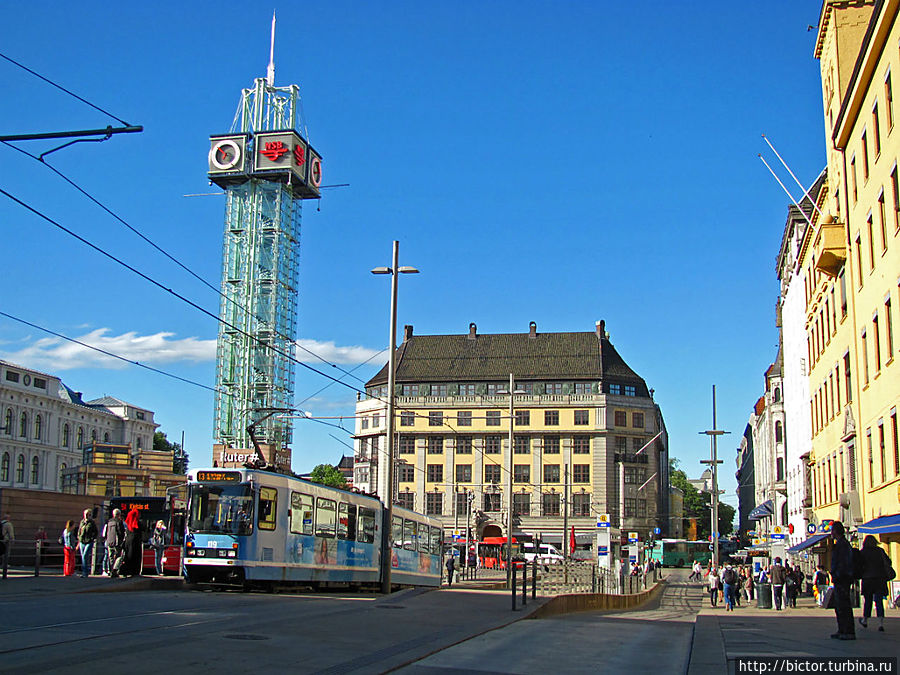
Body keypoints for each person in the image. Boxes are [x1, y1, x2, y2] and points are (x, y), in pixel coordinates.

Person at [858, 534, 893, 632]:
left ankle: (865, 620)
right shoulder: (880, 551)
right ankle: (880, 623)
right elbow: (888, 562)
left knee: (868, 601)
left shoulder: (863, 552)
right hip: (879, 579)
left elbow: (859, 565)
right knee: (879, 601)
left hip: (867, 579)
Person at [829, 521, 856, 640]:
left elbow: (844, 562)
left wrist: (838, 574)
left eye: (832, 530)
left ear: (835, 531)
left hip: (843, 578)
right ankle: (842, 629)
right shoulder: (840, 544)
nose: (831, 533)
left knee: (844, 605)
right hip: (840, 578)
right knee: (839, 605)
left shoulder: (843, 545)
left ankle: (848, 631)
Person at [121, 508, 143, 577]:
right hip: (135, 541)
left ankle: (126, 570)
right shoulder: (137, 523)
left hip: (128, 541)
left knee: (128, 556)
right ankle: (134, 571)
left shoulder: (127, 524)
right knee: (135, 556)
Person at [77, 509, 98, 578]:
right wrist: (79, 538)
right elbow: (79, 530)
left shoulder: (92, 523)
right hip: (82, 541)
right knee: (83, 556)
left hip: (89, 541)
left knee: (85, 555)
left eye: (88, 514)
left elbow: (96, 532)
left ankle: (85, 572)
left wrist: (92, 538)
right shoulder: (82, 522)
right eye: (85, 514)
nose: (86, 516)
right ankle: (84, 572)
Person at [104, 509, 125, 577]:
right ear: (119, 514)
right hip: (117, 542)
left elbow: (106, 532)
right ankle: (115, 570)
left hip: (109, 541)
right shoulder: (119, 522)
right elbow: (121, 532)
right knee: (118, 557)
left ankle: (110, 570)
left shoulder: (109, 521)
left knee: (110, 557)